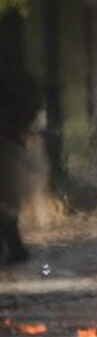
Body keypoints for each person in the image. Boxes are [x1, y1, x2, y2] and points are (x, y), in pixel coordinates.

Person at [0, 67, 42, 265]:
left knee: (7, 199)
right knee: (8, 199)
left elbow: (30, 105)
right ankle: (15, 246)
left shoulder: (12, 80)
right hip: (10, 141)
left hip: (8, 141)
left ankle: (15, 246)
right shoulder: (15, 78)